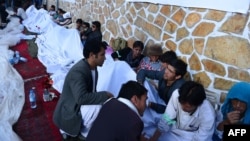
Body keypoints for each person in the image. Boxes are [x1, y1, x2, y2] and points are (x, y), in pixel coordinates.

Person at [53, 40, 114, 140]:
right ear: (92, 55)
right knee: (97, 107)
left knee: (104, 105)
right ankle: (83, 134)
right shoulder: (78, 72)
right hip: (69, 112)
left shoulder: (93, 68)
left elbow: (90, 93)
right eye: (102, 55)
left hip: (79, 106)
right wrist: (105, 95)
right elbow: (81, 98)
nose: (105, 58)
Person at [148, 81, 216, 141]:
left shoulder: (208, 113)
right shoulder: (176, 95)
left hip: (192, 135)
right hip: (175, 129)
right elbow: (167, 118)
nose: (183, 108)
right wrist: (154, 138)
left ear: (198, 105)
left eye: (187, 107)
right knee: (151, 133)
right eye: (181, 104)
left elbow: (202, 138)